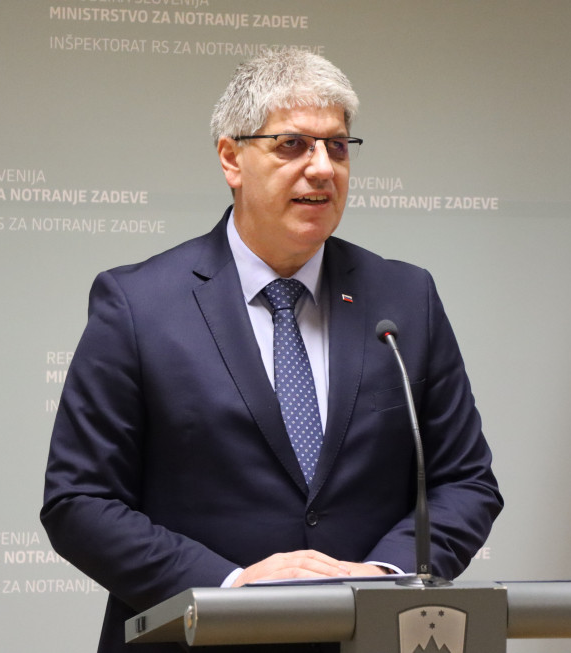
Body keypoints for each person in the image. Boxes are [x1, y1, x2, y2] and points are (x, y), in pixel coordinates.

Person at [40, 49, 502, 653]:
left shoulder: (405, 297)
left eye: (337, 147)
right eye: (292, 145)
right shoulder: (138, 304)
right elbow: (79, 501)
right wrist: (231, 586)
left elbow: (466, 481)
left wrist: (384, 578)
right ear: (232, 158)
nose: (321, 168)